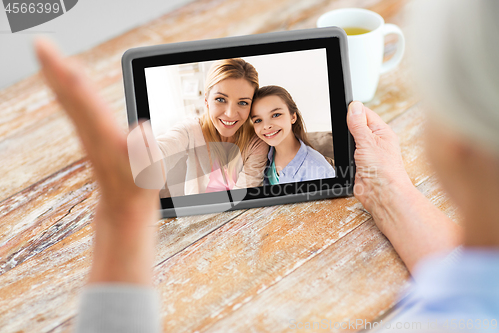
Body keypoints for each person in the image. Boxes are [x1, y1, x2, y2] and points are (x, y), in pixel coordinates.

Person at [33, 0, 499, 331]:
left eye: (248, 108)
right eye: (224, 103)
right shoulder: (195, 133)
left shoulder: (258, 144)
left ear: (458, 142)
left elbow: (253, 178)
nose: (236, 116)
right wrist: (388, 189)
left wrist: (121, 219)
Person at [146, 58, 269, 197]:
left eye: (242, 102)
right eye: (221, 99)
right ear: (206, 100)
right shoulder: (191, 130)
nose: (230, 113)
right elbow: (164, 147)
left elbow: (243, 198)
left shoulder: (257, 142)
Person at [250, 85, 335, 185]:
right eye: (258, 120)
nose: (266, 126)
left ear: (293, 117)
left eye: (276, 115)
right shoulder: (262, 157)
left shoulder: (319, 171)